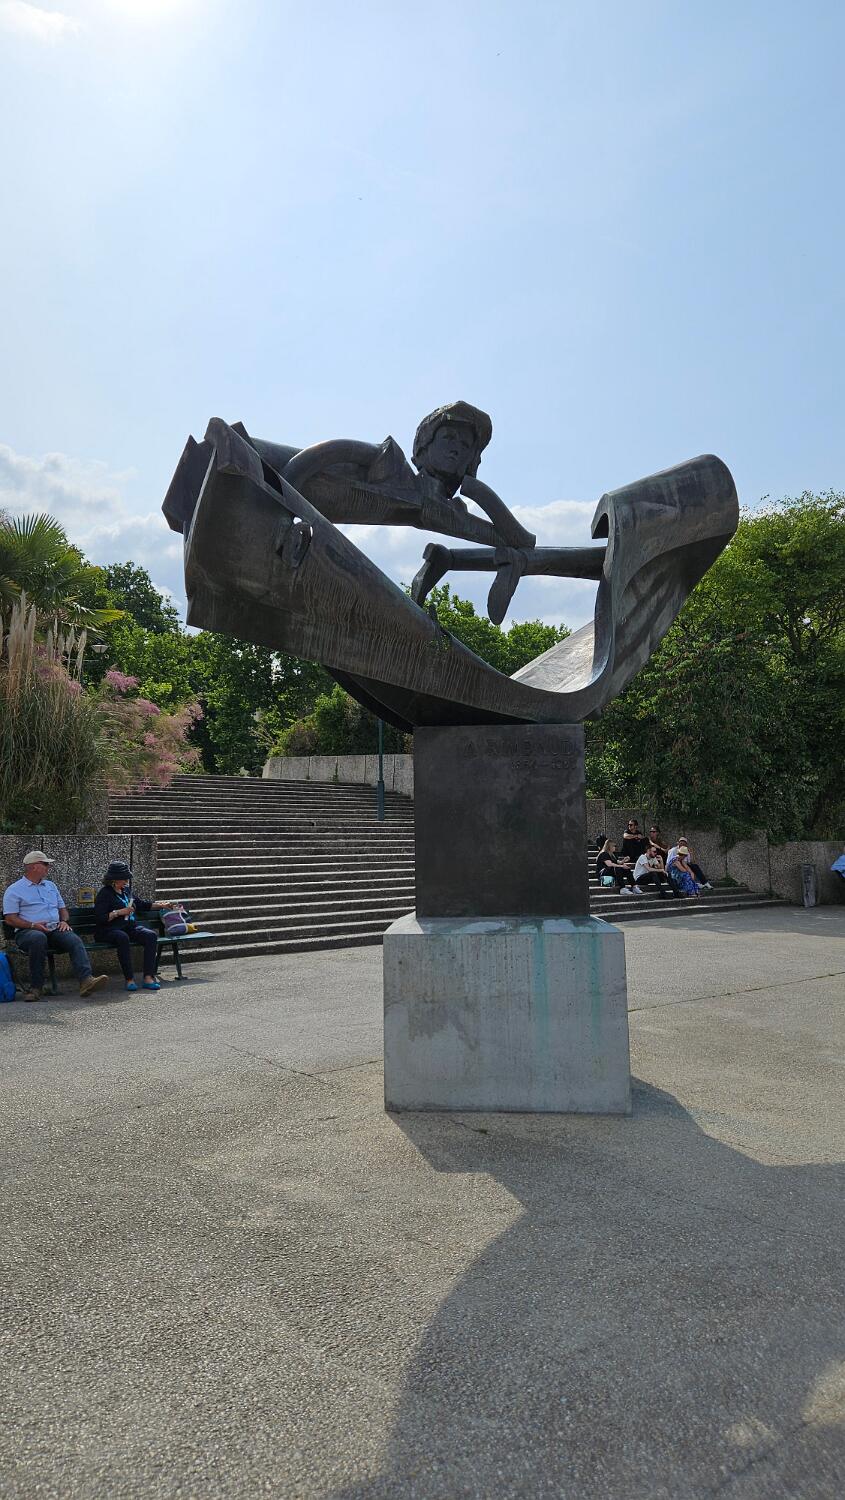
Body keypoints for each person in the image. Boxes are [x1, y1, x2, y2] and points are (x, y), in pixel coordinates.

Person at [3, 851, 108, 1002]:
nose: (48, 867)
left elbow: (62, 910)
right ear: (33, 866)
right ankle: (36, 988)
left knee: (73, 939)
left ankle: (86, 980)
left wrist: (64, 921)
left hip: (54, 929)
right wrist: (33, 925)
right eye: (45, 864)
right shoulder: (15, 890)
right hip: (27, 932)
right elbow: (10, 919)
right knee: (37, 938)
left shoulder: (51, 886)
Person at [93, 862, 178, 992]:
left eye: (127, 878)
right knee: (122, 937)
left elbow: (142, 905)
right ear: (114, 879)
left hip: (129, 927)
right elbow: (100, 918)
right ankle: (129, 980)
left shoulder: (126, 891)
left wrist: (162, 905)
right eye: (124, 879)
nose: (127, 881)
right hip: (108, 930)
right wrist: (119, 912)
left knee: (150, 936)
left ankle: (148, 978)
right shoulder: (104, 894)